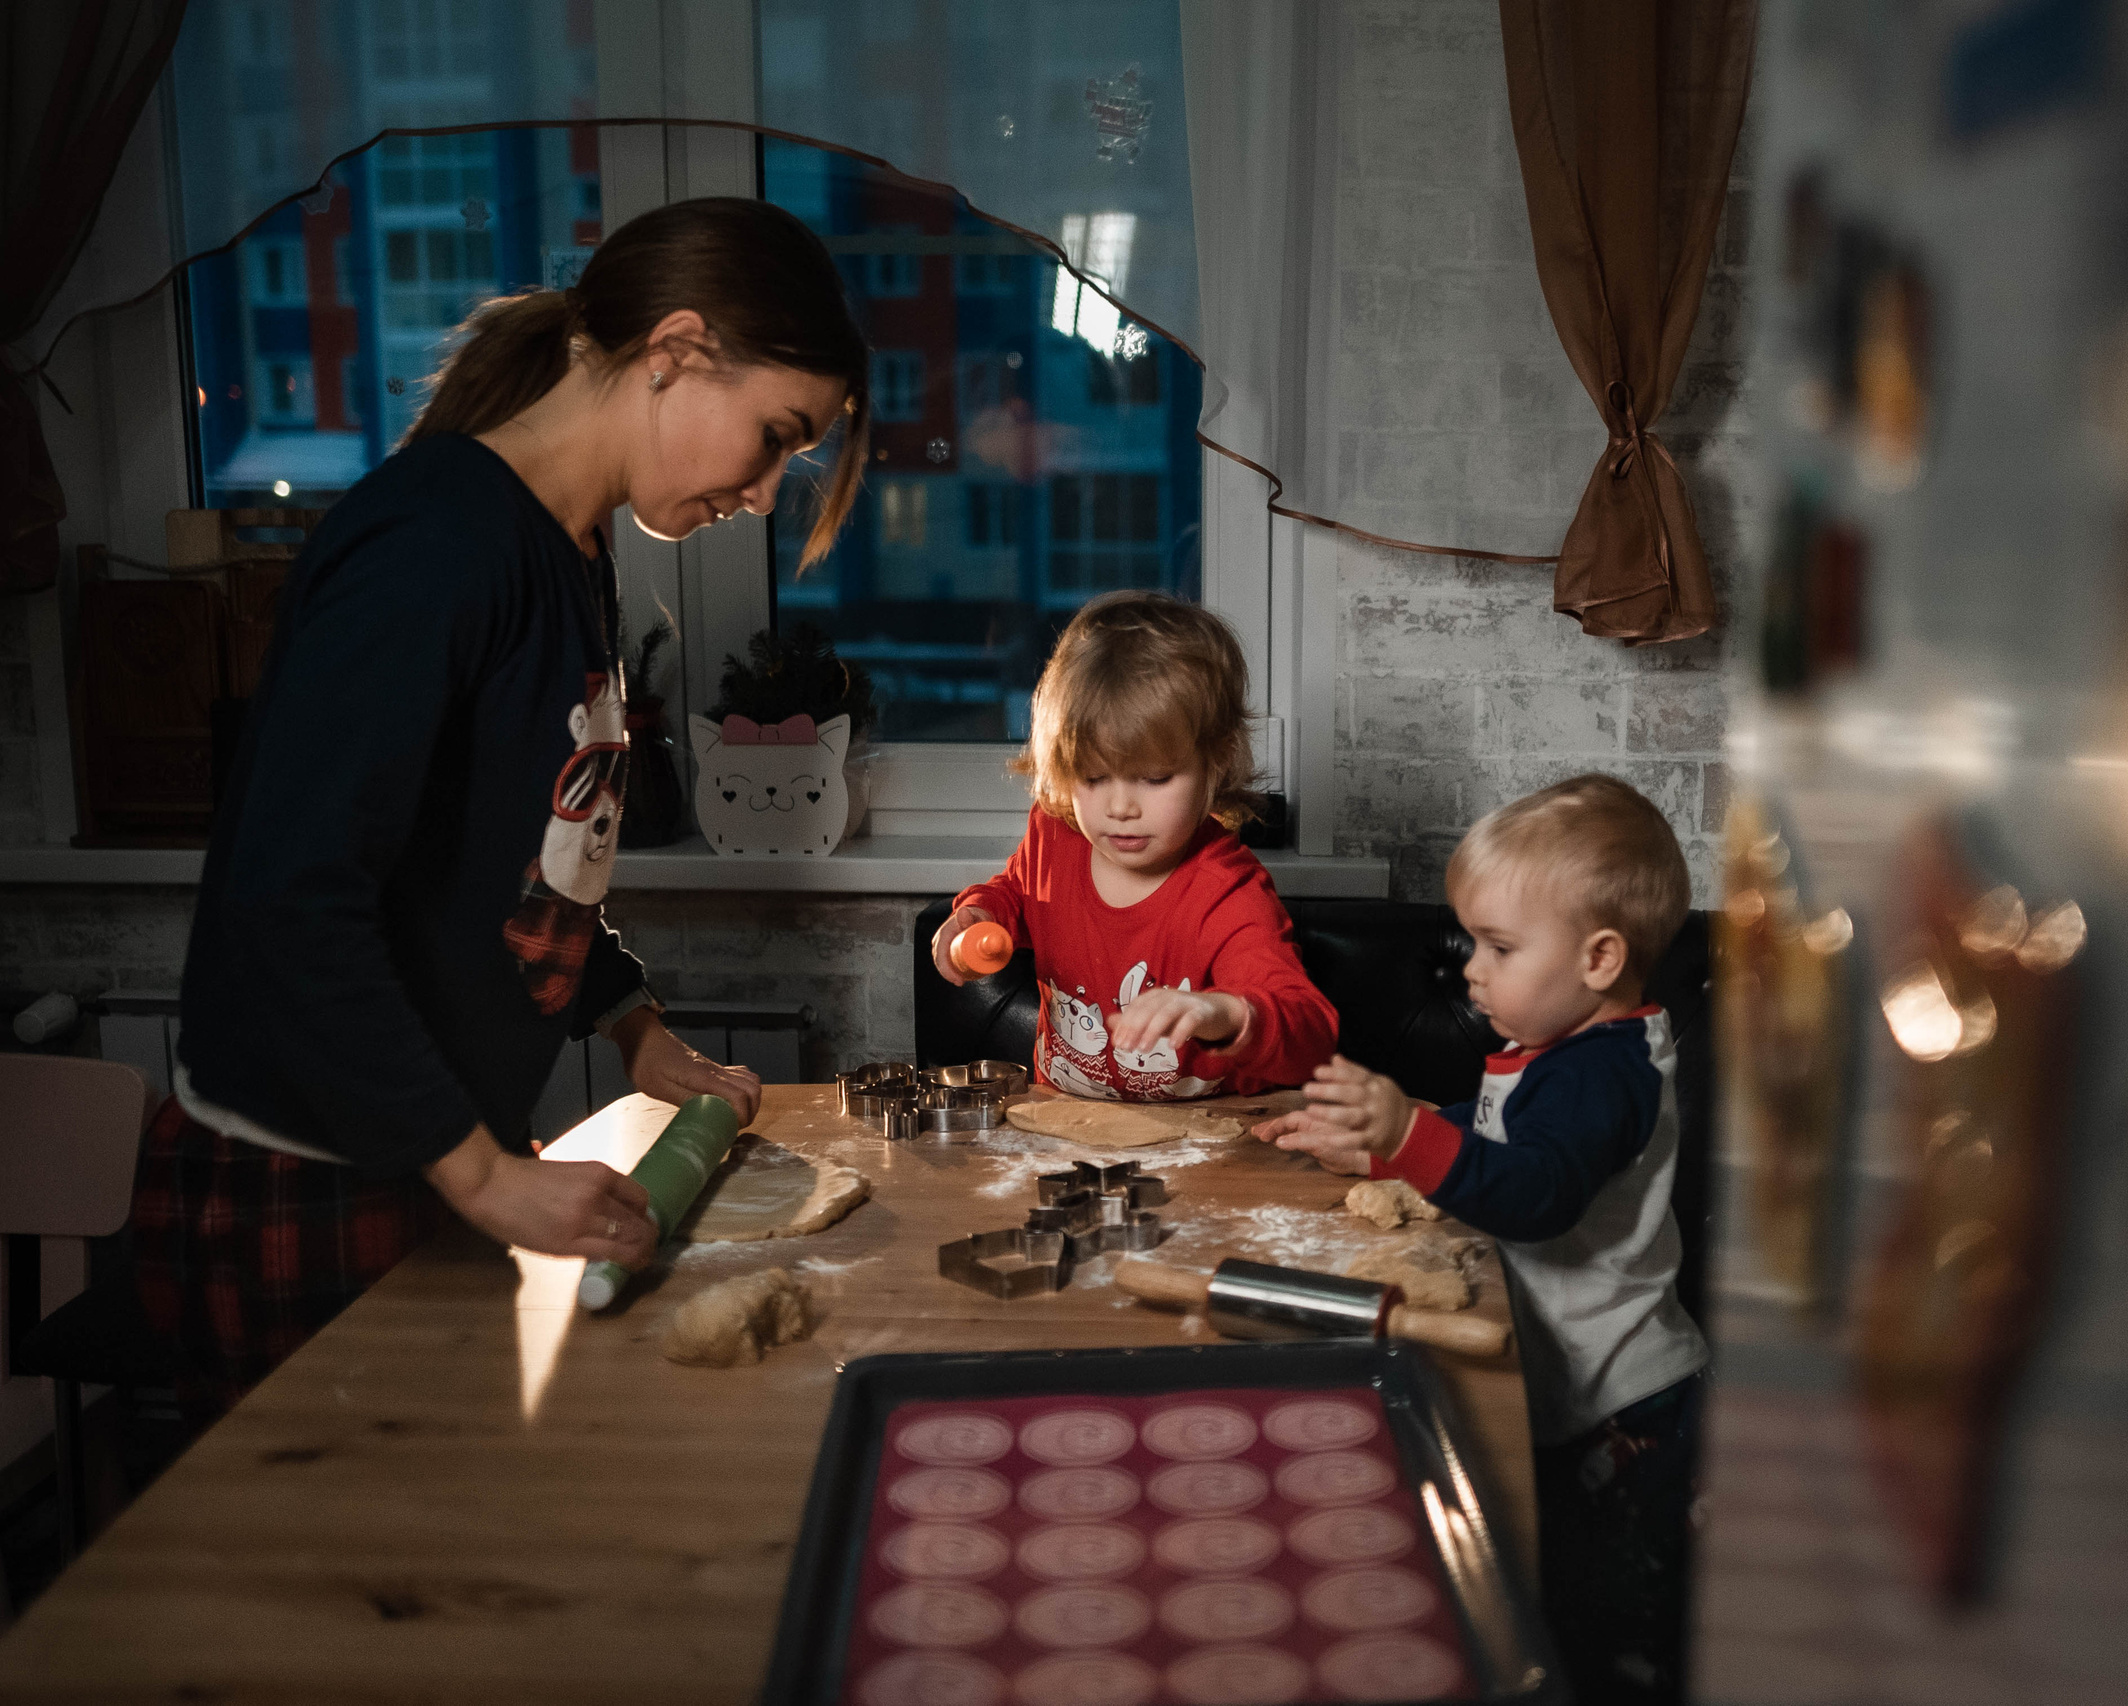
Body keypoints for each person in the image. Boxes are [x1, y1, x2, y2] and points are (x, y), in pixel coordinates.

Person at [143, 197, 872, 1426]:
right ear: (679, 350)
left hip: (414, 1157)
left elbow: (510, 855)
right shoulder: (433, 544)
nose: (760, 493)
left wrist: (627, 1015)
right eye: (772, 437)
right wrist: (485, 1177)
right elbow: (292, 901)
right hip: (305, 1175)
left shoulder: (562, 549)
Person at [1252, 773, 1709, 1704]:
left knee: (1618, 1636)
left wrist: (1408, 1136)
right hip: (1577, 1388)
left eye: (1500, 947)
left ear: (1600, 958)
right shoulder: (1570, 1050)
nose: (1471, 971)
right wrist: (1380, 1152)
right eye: (1471, 944)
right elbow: (1500, 1133)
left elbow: (1538, 1192)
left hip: (1623, 1409)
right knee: (1568, 1606)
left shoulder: (1605, 1077)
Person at [932, 592, 1335, 1100]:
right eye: (1094, 777)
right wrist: (979, 916)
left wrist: (1224, 1012)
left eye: (1155, 777)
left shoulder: (1227, 892)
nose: (1121, 807)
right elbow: (1018, 892)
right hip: (1062, 1126)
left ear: (1217, 759)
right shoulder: (1055, 837)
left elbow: (1311, 1035)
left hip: (1201, 1143)